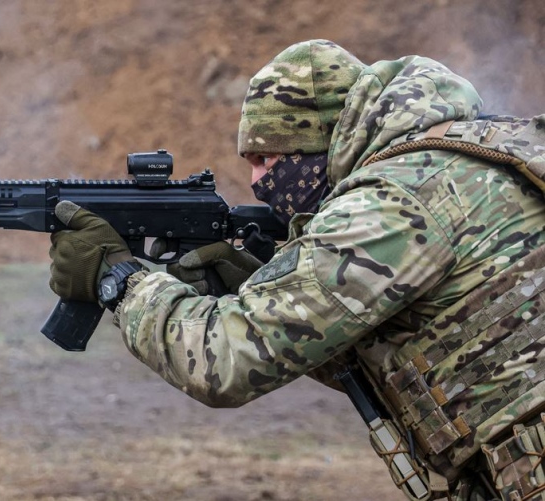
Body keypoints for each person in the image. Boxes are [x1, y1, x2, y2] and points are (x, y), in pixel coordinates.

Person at [48, 39, 545, 500]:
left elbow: (226, 361)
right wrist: (256, 285)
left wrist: (120, 281)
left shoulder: (392, 203)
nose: (256, 180)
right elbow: (374, 342)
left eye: (267, 158)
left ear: (323, 140)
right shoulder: (440, 162)